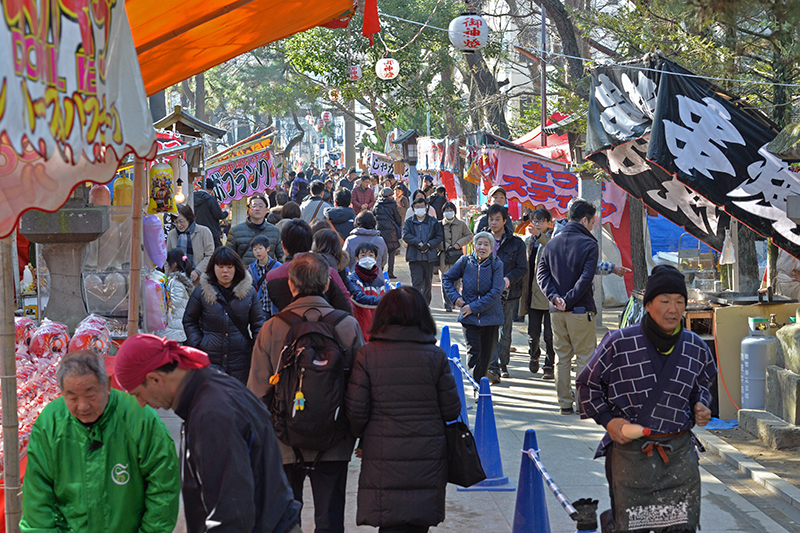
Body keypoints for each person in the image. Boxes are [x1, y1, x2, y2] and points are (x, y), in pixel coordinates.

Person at [576, 265, 716, 533]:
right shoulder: (619, 342)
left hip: (678, 457)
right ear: (648, 305)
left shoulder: (695, 346)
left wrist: (701, 404)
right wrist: (608, 421)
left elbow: (704, 383)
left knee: (681, 527)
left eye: (679, 302)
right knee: (632, 527)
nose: (673, 309)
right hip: (631, 455)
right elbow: (587, 384)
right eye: (665, 301)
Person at [114, 335, 302, 533]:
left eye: (137, 394)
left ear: (155, 379)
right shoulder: (210, 388)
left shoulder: (212, 413)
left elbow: (232, 514)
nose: (141, 403)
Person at [249, 253, 364, 533]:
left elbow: (257, 393)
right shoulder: (347, 325)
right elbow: (360, 389)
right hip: (335, 439)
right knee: (330, 520)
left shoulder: (273, 327)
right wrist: (357, 433)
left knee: (286, 519)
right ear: (327, 284)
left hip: (284, 439)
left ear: (291, 285)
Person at [20, 350, 181, 533]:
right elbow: (37, 496)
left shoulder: (139, 418)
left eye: (91, 395)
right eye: (72, 398)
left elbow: (163, 488)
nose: (83, 406)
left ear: (108, 384)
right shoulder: (50, 423)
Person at [345, 287, 462, 533]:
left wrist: (362, 437)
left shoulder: (369, 354)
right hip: (427, 453)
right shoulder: (436, 356)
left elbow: (356, 410)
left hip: (382, 451)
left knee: (389, 521)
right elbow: (452, 409)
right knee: (419, 523)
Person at [537, 198, 599, 415]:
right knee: (584, 356)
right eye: (592, 222)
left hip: (556, 310)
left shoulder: (552, 243)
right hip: (580, 309)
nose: (593, 226)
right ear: (584, 220)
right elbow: (586, 278)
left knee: (562, 357)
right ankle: (583, 403)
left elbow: (541, 274)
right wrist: (569, 299)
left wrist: (555, 298)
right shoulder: (589, 244)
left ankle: (564, 402)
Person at [183, 246, 265, 384]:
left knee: (237, 396)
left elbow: (258, 323)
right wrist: (198, 343)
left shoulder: (249, 292)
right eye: (220, 267)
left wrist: (258, 350)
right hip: (210, 359)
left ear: (236, 268)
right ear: (213, 268)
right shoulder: (202, 291)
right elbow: (189, 320)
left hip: (240, 360)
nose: (225, 271)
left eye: (229, 266)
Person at [443, 231, 505, 383]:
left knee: (486, 356)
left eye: (486, 244)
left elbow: (496, 292)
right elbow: (447, 278)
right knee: (473, 353)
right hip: (468, 317)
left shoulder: (497, 264)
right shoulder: (465, 261)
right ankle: (477, 385)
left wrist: (473, 307)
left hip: (490, 318)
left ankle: (480, 384)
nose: (482, 247)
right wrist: (455, 298)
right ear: (474, 246)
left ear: (491, 248)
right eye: (479, 243)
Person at [266, 219, 353, 313]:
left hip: (286, 321)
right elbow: (346, 306)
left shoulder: (272, 276)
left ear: (283, 245)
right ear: (311, 243)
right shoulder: (328, 272)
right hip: (323, 320)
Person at [484, 204, 528, 381]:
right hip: (487, 292)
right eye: (491, 219)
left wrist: (508, 279)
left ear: (504, 221)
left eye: (497, 219)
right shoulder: (482, 238)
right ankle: (492, 366)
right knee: (490, 329)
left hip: (509, 293)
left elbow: (522, 268)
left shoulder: (516, 242)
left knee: (505, 330)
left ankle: (503, 364)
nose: (494, 222)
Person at [518, 208, 556, 379]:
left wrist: (539, 235)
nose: (537, 224)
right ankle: (534, 356)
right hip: (531, 293)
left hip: (549, 294)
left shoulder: (553, 239)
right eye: (535, 221)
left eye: (541, 221)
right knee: (533, 334)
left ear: (549, 223)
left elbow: (552, 248)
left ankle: (549, 365)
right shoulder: (529, 241)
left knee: (549, 334)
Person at [402, 196, 444, 305]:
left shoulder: (433, 222)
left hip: (429, 257)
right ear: (413, 208)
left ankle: (425, 305)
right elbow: (405, 235)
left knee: (427, 284)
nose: (419, 209)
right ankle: (416, 304)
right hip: (414, 256)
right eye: (417, 207)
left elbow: (439, 236)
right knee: (416, 283)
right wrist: (418, 243)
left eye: (422, 206)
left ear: (426, 208)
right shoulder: (409, 222)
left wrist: (429, 244)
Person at [346, 241, 387, 341]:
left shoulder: (379, 282)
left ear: (376, 258)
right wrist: (386, 300)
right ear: (356, 258)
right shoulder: (352, 280)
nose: (367, 258)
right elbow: (359, 298)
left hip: (377, 330)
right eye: (363, 255)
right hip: (360, 329)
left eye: (371, 255)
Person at [166, 203, 215, 284]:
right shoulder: (172, 234)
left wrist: (197, 271)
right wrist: (169, 277)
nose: (179, 225)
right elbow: (167, 258)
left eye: (181, 221)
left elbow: (210, 256)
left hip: (200, 279)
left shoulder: (204, 232)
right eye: (176, 222)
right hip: (177, 279)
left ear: (189, 219)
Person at [227, 194, 283, 263]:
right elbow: (228, 257)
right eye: (254, 206)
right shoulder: (235, 231)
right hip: (244, 269)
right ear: (248, 210)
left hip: (267, 269)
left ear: (266, 210)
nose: (257, 209)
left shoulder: (275, 231)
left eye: (260, 206)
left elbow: (281, 257)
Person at [438, 201, 473, 312]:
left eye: (451, 210)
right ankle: (447, 303)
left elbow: (469, 235)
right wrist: (446, 246)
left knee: (456, 280)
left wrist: (459, 243)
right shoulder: (439, 225)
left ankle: (454, 300)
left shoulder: (461, 224)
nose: (449, 212)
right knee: (445, 279)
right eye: (446, 211)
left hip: (457, 256)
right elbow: (436, 239)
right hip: (444, 256)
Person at [248, 235, 282, 320]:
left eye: (260, 248)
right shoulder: (251, 269)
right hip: (259, 309)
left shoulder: (278, 267)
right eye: (255, 249)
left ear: (268, 249)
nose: (258, 252)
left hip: (275, 308)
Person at [164, 248, 195, 342]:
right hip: (177, 325)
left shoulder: (176, 281)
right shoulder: (181, 279)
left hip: (175, 326)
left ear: (174, 264)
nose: (167, 267)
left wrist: (162, 305)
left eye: (168, 264)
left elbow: (175, 302)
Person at [372, 187, 403, 278]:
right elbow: (398, 219)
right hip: (391, 232)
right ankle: (390, 271)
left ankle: (380, 270)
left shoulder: (377, 204)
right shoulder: (392, 204)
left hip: (380, 231)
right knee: (391, 252)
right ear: (389, 195)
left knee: (380, 252)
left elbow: (373, 215)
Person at [193, 177, 229, 248]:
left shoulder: (192, 197)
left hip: (196, 232)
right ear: (211, 189)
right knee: (218, 251)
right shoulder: (211, 199)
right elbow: (219, 215)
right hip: (212, 232)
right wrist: (226, 212)